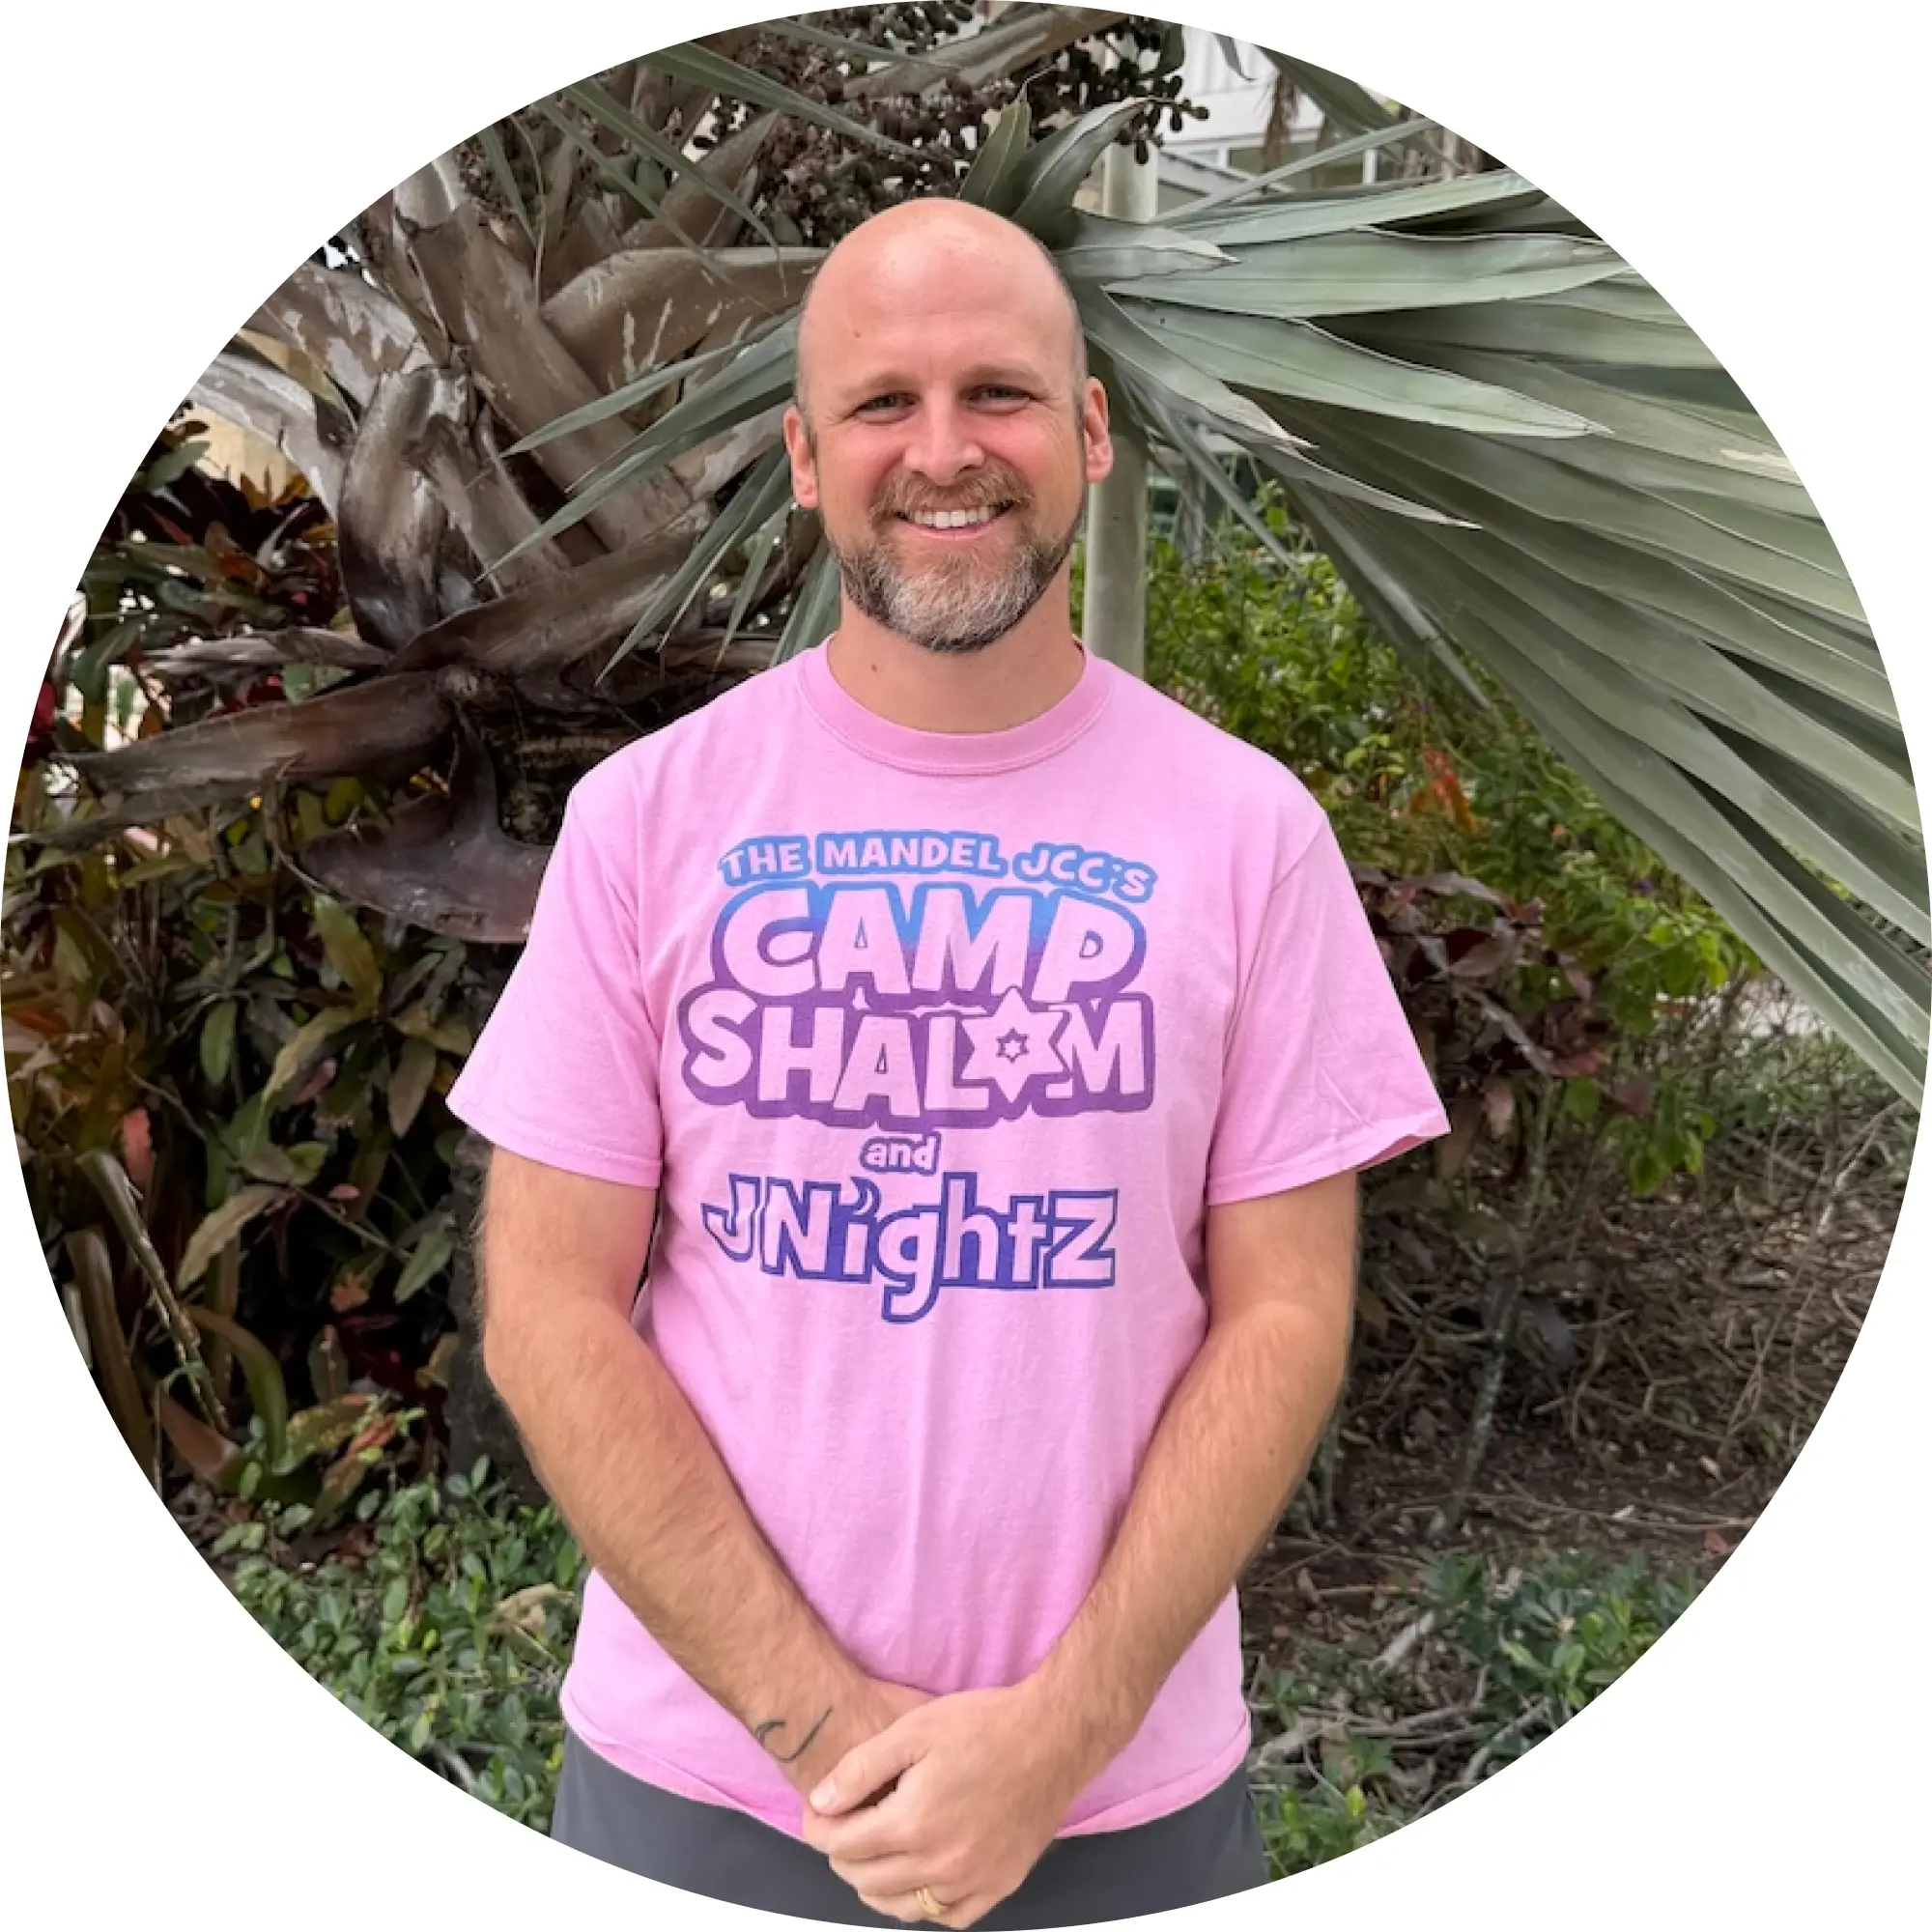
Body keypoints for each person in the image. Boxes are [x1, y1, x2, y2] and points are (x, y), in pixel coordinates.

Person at [449, 195, 1448, 1928]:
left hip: (1119, 1803)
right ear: (807, 458)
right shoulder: (646, 823)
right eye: (882, 404)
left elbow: (1284, 1312)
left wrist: (1059, 1738)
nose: (944, 450)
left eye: (999, 392)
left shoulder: (1249, 835)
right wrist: (833, 1734)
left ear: (1089, 434)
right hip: (706, 1790)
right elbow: (547, 1308)